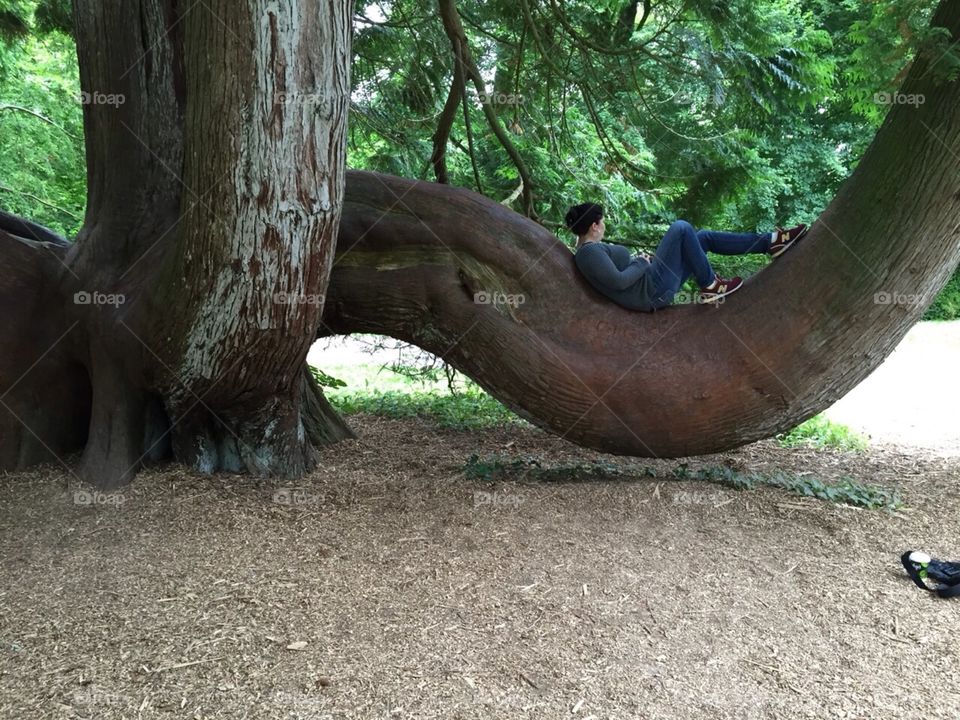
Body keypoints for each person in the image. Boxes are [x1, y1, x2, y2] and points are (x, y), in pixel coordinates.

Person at [565, 203, 808, 310]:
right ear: (595, 226)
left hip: (652, 283)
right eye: (602, 221)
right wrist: (641, 261)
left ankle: (772, 243)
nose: (604, 225)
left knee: (702, 238)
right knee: (681, 227)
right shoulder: (588, 253)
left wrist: (639, 262)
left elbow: (616, 276)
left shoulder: (589, 251)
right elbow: (617, 282)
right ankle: (711, 285)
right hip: (652, 290)